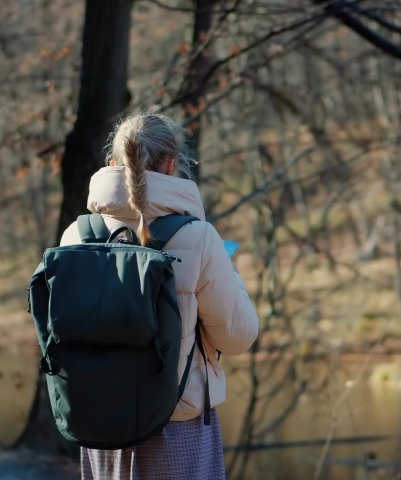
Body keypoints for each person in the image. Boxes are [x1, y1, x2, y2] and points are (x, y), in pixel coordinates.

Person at [58, 111, 260, 480]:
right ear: (171, 165)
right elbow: (238, 337)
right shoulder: (198, 238)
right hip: (175, 421)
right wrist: (232, 275)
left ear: (114, 163)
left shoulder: (76, 235)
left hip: (99, 422)